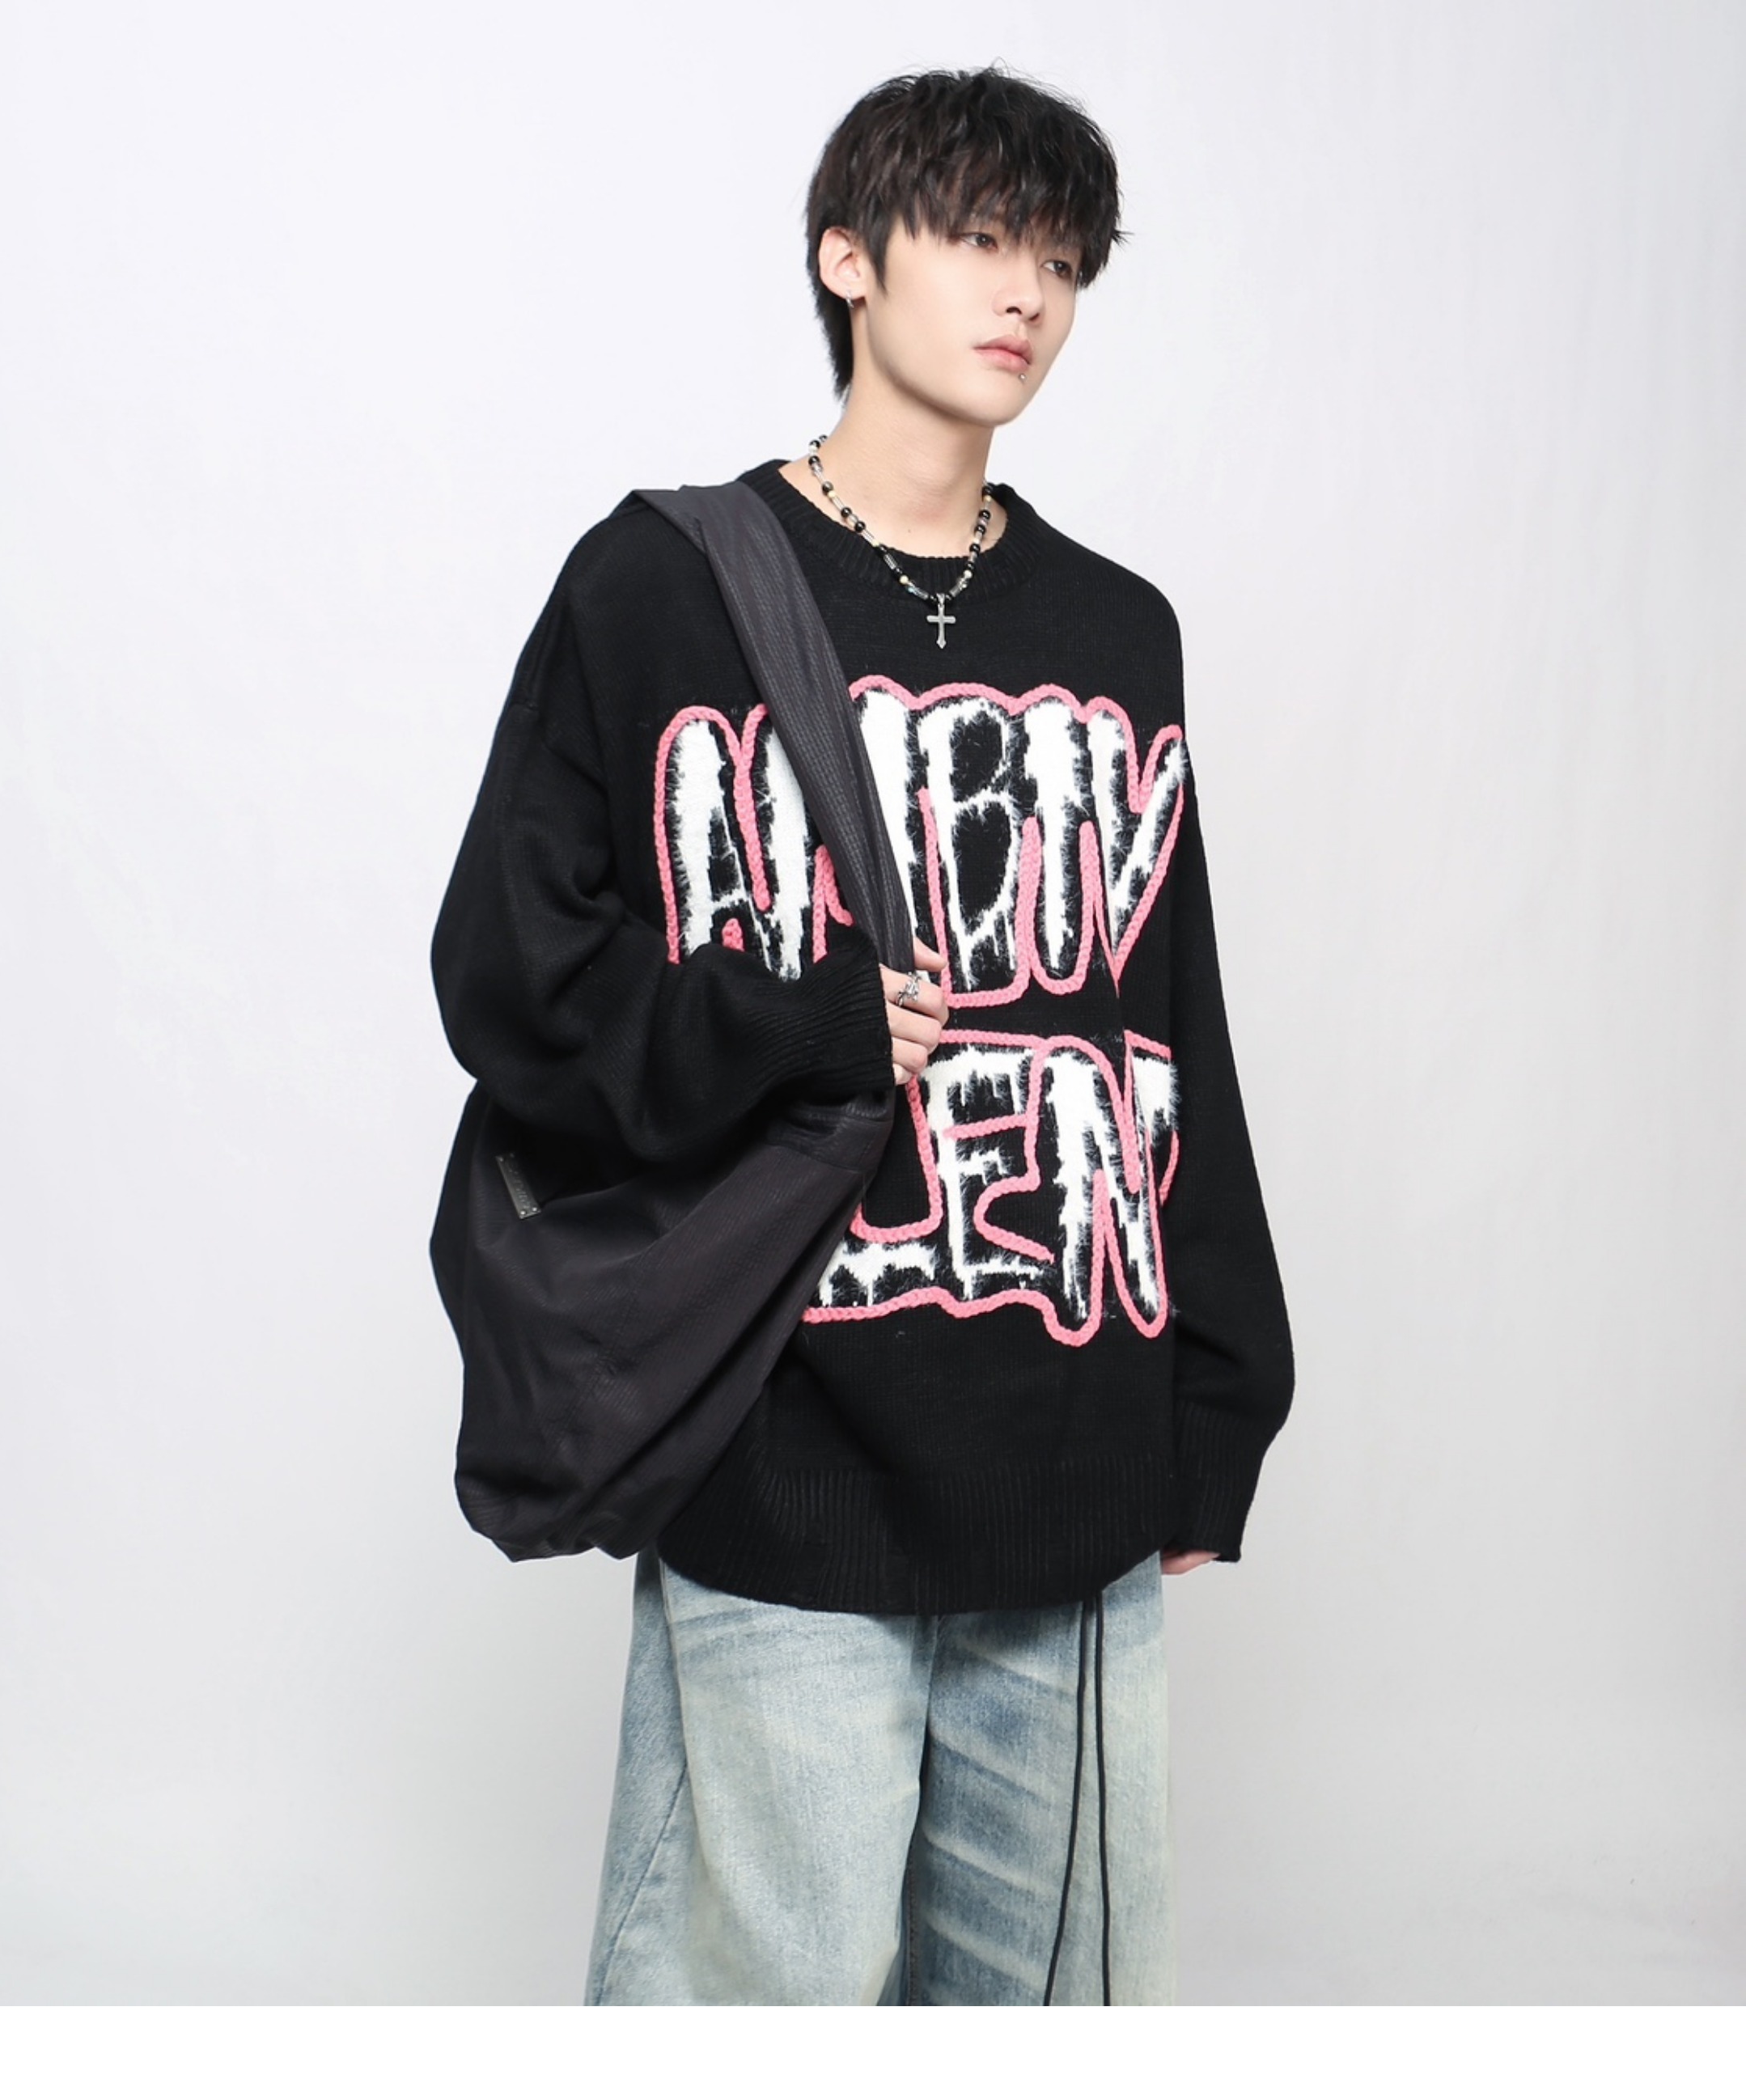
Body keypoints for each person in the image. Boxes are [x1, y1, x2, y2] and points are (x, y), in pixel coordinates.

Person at [430, 65, 1293, 2005]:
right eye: (982, 238)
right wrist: (793, 1020)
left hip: (1071, 1449)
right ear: (847, 257)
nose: (1028, 293)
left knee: (1055, 2012)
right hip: (781, 1439)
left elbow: (1167, 1016)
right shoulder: (660, 586)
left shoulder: (1117, 630)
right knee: (766, 1994)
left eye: (1062, 258)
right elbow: (505, 972)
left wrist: (1221, 1385)